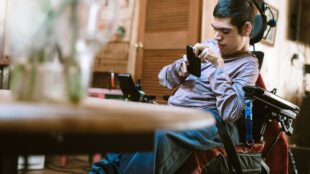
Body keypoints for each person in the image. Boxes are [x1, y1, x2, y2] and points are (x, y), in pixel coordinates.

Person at [89, 0, 259, 173]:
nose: (217, 36)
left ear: (246, 29)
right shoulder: (208, 46)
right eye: (215, 28)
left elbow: (230, 113)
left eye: (225, 31)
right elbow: (163, 79)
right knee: (130, 124)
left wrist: (218, 66)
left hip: (212, 118)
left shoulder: (248, 65)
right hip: (178, 109)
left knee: (159, 135)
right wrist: (180, 68)